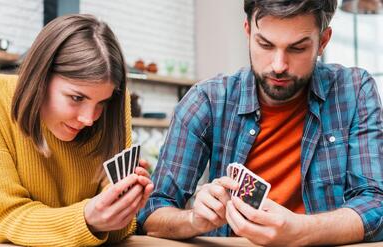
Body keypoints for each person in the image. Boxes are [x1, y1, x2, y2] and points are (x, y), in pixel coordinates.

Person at [138, 0, 383, 245]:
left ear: (323, 41)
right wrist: (193, 219)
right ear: (247, 31)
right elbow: (151, 210)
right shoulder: (207, 100)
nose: (278, 66)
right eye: (265, 44)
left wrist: (301, 231)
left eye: (297, 48)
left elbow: (376, 203)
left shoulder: (354, 90)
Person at [0, 14, 154, 246]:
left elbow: (117, 233)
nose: (89, 119)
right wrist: (88, 219)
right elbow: (7, 216)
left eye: (101, 103)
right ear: (40, 77)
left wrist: (123, 207)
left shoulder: (114, 105)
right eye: (76, 97)